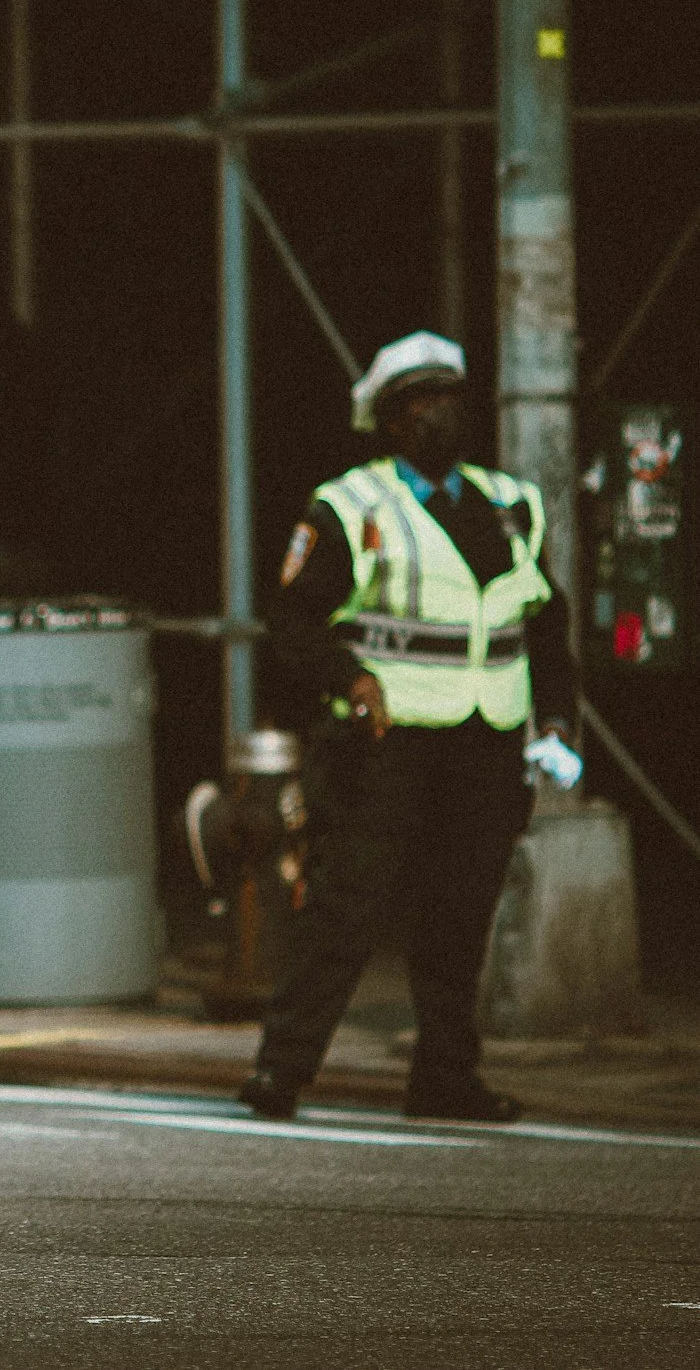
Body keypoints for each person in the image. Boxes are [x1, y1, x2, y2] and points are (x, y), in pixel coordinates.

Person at [239, 330, 583, 1124]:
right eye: (422, 402)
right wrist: (350, 680)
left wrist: (555, 720)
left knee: (461, 915)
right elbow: (293, 620)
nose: (441, 414)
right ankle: (282, 1069)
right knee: (347, 907)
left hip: (489, 739)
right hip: (385, 743)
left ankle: (445, 1078)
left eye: (450, 398)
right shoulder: (351, 506)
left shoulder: (510, 503)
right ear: (390, 420)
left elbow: (545, 625)